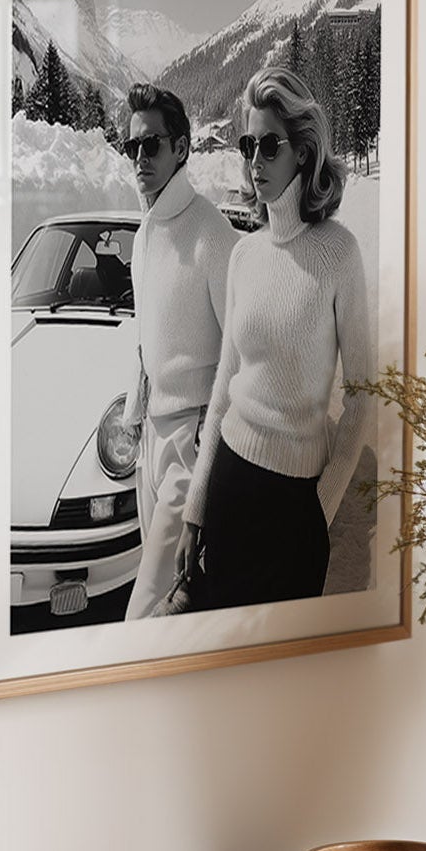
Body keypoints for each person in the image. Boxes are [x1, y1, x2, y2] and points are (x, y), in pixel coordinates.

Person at [173, 65, 372, 611]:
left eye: (269, 146)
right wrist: (195, 509)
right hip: (230, 486)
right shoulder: (244, 255)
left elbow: (363, 395)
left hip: (295, 506)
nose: (254, 162)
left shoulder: (339, 253)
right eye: (247, 145)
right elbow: (224, 385)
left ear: (302, 153)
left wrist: (321, 507)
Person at [118, 83, 237, 620]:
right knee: (168, 602)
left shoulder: (213, 235)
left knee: (142, 610)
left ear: (182, 149)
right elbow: (148, 334)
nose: (140, 158)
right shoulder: (144, 232)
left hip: (192, 445)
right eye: (132, 147)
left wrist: (208, 439)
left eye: (152, 145)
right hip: (151, 439)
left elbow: (243, 351)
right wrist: (133, 409)